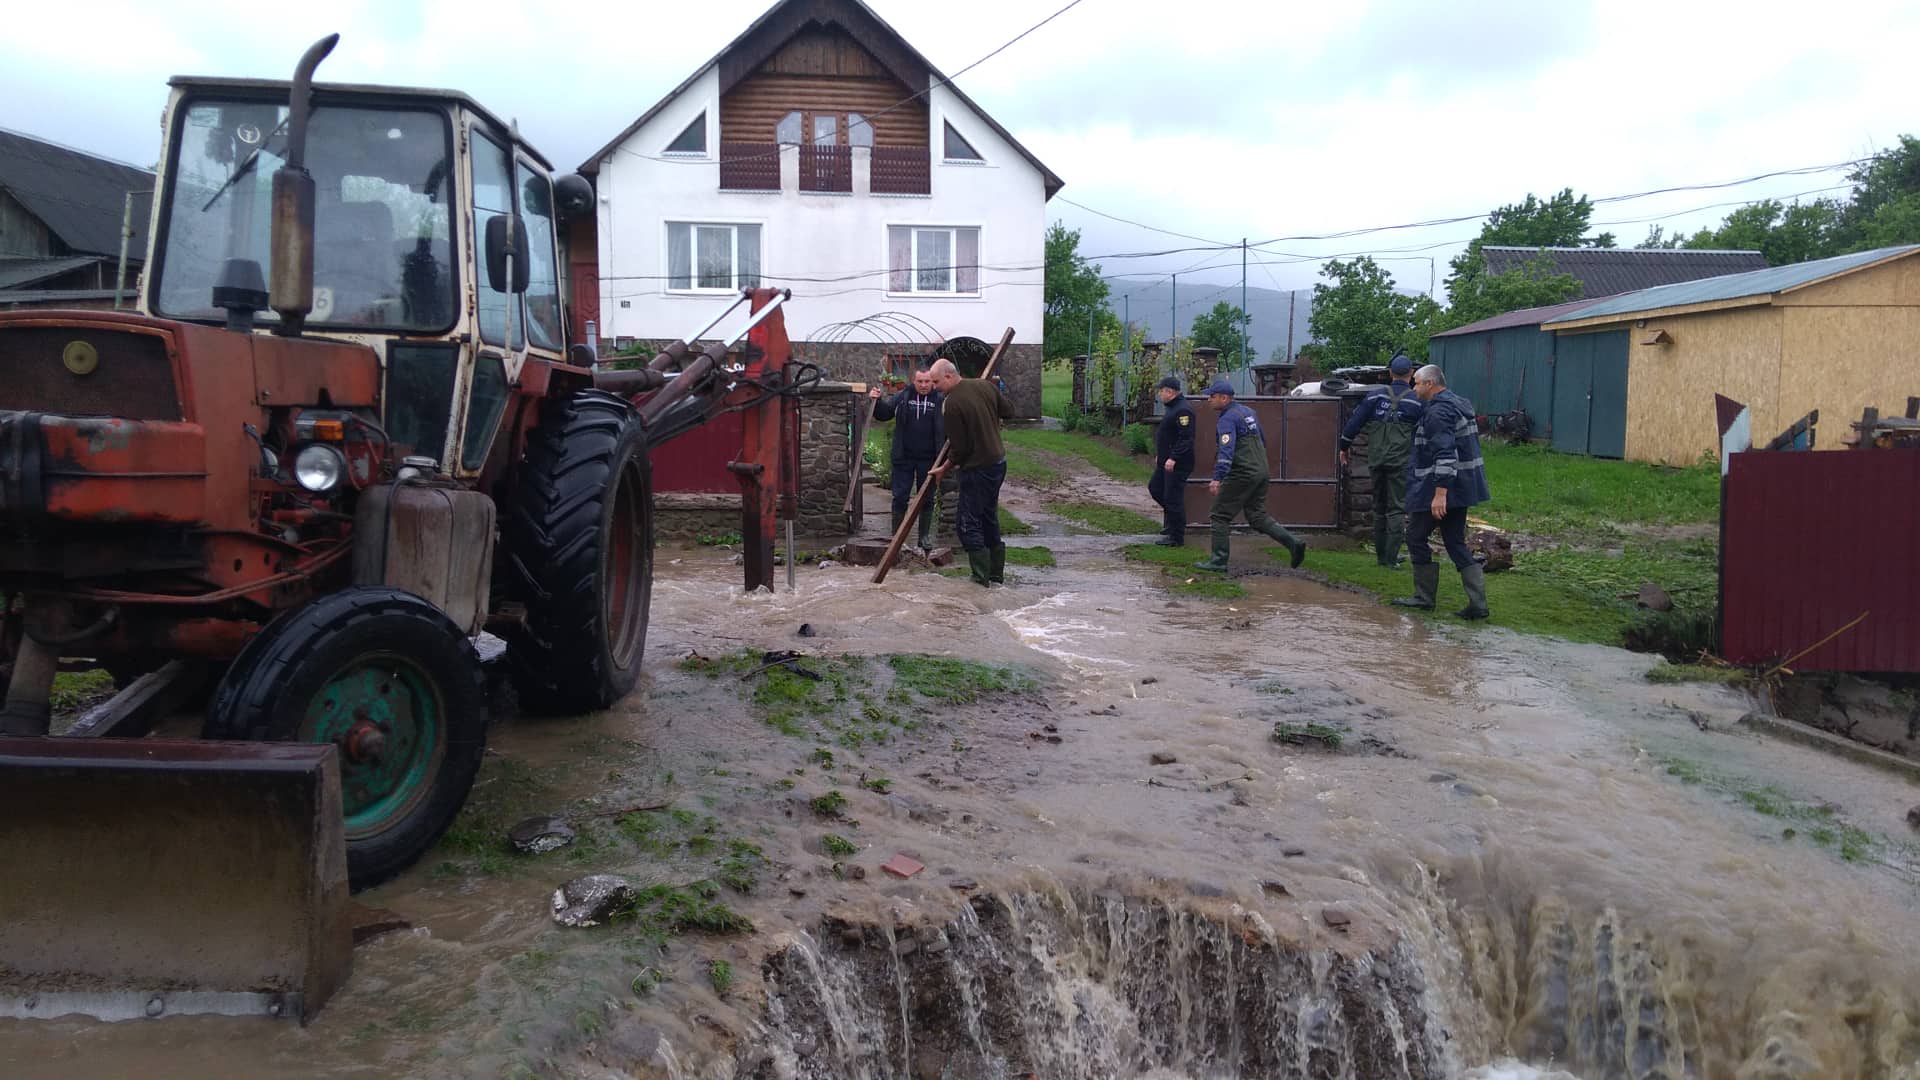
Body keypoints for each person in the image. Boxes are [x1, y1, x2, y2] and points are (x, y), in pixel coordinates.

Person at [1393, 364, 1492, 620]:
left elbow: (1446, 454)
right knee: (1455, 541)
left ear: (1430, 383)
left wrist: (1440, 494)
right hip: (1462, 486)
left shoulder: (1438, 412)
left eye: (1416, 383)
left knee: (1415, 536)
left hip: (1438, 488)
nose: (1414, 388)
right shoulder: (1458, 404)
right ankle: (1478, 604)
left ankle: (1423, 597)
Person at [1194, 378, 1307, 573]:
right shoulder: (1248, 412)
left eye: (1212, 396)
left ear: (1224, 398)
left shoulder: (1227, 419)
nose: (1209, 400)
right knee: (1257, 516)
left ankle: (1218, 561)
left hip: (1243, 472)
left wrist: (1218, 478)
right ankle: (1293, 543)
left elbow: (1226, 450)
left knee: (1219, 515)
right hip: (1261, 470)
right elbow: (1262, 439)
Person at [928, 358, 1014, 586]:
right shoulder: (985, 386)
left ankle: (979, 578)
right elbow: (1009, 411)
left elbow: (960, 449)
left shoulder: (951, 404)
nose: (934, 387)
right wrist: (987, 416)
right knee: (988, 517)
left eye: (936, 382)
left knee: (967, 523)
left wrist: (943, 468)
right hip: (998, 462)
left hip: (977, 468)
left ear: (949, 376)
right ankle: (995, 575)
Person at [1337, 352, 1423, 567]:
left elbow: (1354, 423)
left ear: (1390, 373)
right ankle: (1391, 558)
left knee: (1379, 507)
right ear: (1411, 374)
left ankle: (1381, 556)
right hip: (1400, 462)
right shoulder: (1416, 401)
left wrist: (1344, 447)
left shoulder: (1375, 396)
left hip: (1376, 459)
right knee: (1396, 508)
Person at [869, 366, 944, 549]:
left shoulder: (940, 399)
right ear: (914, 381)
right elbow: (885, 414)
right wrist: (876, 401)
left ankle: (923, 537)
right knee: (900, 497)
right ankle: (897, 537)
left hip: (930, 459)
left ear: (933, 382)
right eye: (920, 381)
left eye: (927, 381)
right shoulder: (904, 396)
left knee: (926, 498)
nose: (924, 385)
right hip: (904, 457)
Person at [1148, 375, 1195, 546]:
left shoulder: (1183, 411)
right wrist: (1161, 455)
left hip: (1177, 463)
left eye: (1161, 391)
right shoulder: (1173, 408)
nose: (1160, 394)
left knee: (1172, 498)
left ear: (1170, 392)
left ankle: (1176, 536)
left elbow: (1186, 438)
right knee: (1155, 488)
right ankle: (1173, 523)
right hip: (1166, 460)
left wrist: (1174, 457)